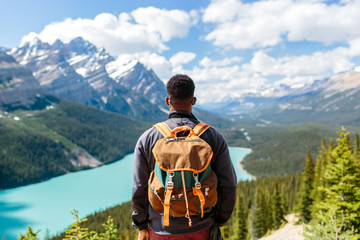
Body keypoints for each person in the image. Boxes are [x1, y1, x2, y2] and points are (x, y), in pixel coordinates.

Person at [131, 74, 237, 240]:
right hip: (202, 228)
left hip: (160, 229)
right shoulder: (213, 137)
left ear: (168, 101)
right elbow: (229, 185)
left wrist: (141, 225)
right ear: (194, 100)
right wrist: (218, 220)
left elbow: (139, 187)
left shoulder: (148, 138)